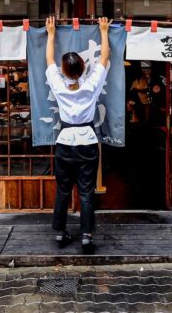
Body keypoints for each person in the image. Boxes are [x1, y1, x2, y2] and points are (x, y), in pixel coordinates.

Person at [45, 16, 111, 254]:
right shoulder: (92, 84)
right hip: (88, 143)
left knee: (63, 189)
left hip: (65, 143)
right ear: (84, 67)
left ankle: (61, 232)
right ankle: (86, 235)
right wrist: (103, 30)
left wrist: (51, 34)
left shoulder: (59, 85)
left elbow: (49, 59)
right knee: (86, 191)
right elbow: (104, 57)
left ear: (64, 70)